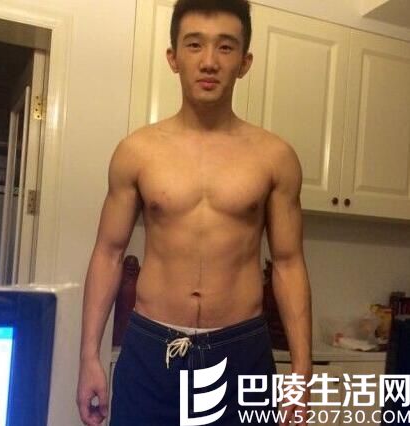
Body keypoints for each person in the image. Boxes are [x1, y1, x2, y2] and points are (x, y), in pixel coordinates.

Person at [77, 0, 312, 425]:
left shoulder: (275, 157)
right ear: (173, 58)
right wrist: (88, 356)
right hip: (151, 350)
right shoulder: (137, 152)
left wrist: (301, 370)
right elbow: (108, 254)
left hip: (241, 352)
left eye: (225, 47)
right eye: (194, 44)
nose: (209, 61)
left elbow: (289, 263)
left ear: (244, 62)